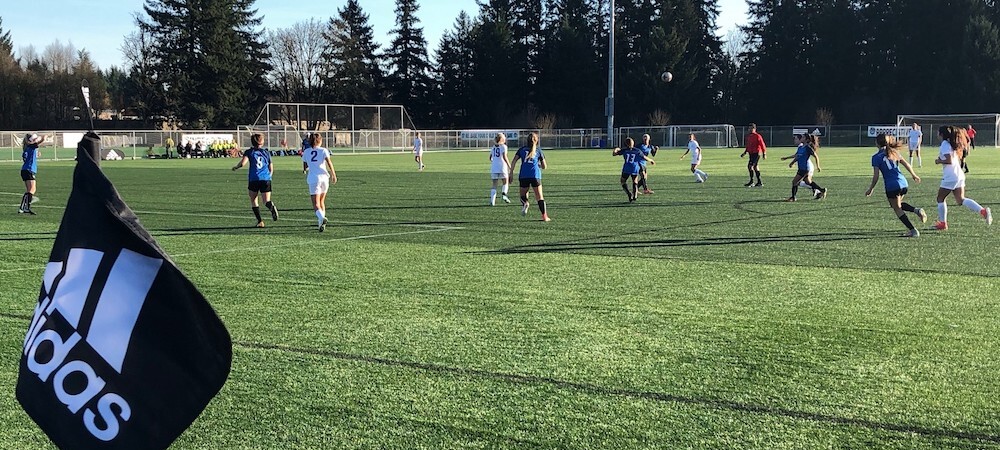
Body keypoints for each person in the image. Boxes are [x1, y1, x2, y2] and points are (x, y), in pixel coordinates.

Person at [864, 134, 926, 237]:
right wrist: (914, 175)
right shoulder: (894, 152)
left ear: (877, 143)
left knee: (897, 209)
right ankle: (917, 210)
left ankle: (913, 230)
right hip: (903, 183)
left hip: (892, 186)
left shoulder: (876, 157)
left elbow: (876, 176)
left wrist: (871, 189)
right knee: (897, 205)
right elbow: (906, 164)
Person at [933, 126, 991, 230]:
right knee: (960, 200)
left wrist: (939, 161)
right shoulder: (951, 143)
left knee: (940, 198)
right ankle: (983, 211)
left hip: (951, 176)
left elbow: (949, 160)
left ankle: (943, 223)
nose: (937, 134)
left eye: (938, 132)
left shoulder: (945, 144)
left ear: (941, 134)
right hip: (958, 174)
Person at [232, 133, 279, 228]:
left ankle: (260, 221)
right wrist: (269, 176)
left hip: (254, 179)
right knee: (266, 201)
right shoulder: (266, 152)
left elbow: (242, 163)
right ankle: (271, 206)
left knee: (253, 200)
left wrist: (236, 167)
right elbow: (271, 167)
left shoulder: (249, 152)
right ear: (262, 142)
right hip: (265, 178)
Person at [509, 132, 550, 221]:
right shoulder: (538, 151)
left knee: (522, 195)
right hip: (535, 175)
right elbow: (544, 166)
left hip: (524, 175)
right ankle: (544, 216)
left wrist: (511, 173)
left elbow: (514, 161)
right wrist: (538, 165)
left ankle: (525, 203)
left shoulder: (522, 150)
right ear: (537, 141)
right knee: (539, 197)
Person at [302, 133, 337, 232]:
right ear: (320, 141)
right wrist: (333, 174)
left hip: (314, 179)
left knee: (315, 203)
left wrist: (305, 169)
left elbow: (305, 165)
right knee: (322, 201)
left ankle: (321, 218)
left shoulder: (307, 151)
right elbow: (329, 162)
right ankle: (320, 222)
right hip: (324, 178)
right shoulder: (324, 150)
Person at [781, 134, 827, 201]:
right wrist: (788, 159)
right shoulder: (801, 147)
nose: (801, 138)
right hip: (801, 168)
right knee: (808, 182)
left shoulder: (808, 148)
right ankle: (822, 190)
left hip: (804, 169)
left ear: (806, 140)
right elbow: (797, 156)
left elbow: (816, 156)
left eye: (803, 137)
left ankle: (793, 197)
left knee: (794, 182)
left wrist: (818, 166)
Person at [613, 137, 656, 202]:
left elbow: (614, 154)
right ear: (632, 143)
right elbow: (644, 157)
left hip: (626, 168)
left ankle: (629, 193)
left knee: (623, 181)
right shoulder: (637, 150)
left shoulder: (624, 150)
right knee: (635, 181)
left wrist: (616, 149)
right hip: (635, 167)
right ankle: (635, 195)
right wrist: (651, 160)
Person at [18, 133, 41, 215]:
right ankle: (23, 207)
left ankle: (25, 208)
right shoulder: (31, 146)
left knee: (30, 190)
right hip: (29, 170)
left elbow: (27, 158)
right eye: (33, 139)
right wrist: (44, 138)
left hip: (26, 169)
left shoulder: (27, 148)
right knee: (32, 189)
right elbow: (40, 141)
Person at [488, 133, 511, 206]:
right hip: (502, 167)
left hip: (494, 167)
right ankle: (504, 194)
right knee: (505, 182)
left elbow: (490, 158)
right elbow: (505, 157)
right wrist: (510, 166)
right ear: (502, 139)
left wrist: (494, 161)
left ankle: (492, 201)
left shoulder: (493, 147)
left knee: (494, 184)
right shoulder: (504, 147)